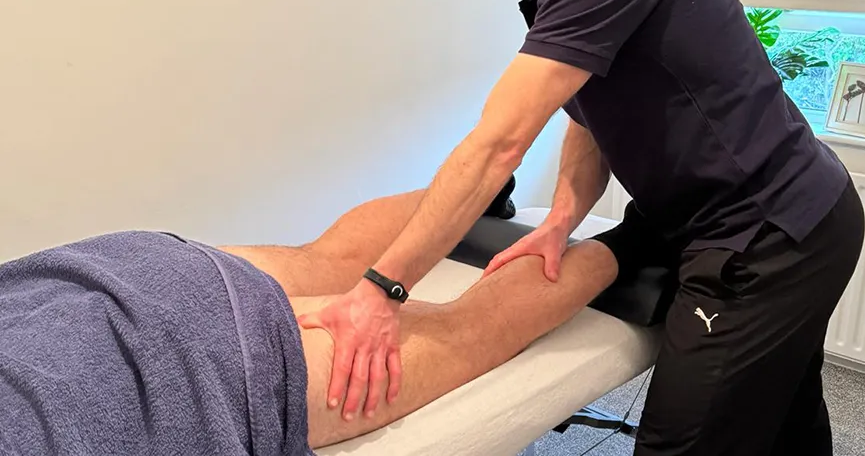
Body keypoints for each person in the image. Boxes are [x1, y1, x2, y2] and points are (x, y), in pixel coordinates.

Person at [298, 0, 865, 454]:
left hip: (771, 235)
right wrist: (564, 216)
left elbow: (497, 145)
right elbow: (591, 111)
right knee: (786, 425)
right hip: (722, 217)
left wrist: (380, 292)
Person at [0, 190, 618, 454]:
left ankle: (628, 249)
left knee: (465, 330)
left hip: (201, 368)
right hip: (98, 273)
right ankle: (475, 196)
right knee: (322, 260)